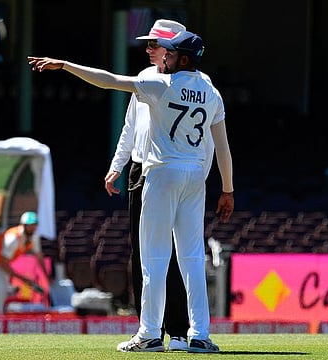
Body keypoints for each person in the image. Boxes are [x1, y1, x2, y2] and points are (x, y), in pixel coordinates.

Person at [28, 29, 234, 353]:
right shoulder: (211, 91)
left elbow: (108, 80)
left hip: (162, 173)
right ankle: (200, 335)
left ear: (181, 58)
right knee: (192, 258)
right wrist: (228, 189)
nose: (162, 56)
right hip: (196, 176)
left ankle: (150, 334)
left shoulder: (160, 85)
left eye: (169, 53)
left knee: (154, 258)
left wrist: (66, 64)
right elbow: (222, 146)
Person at [104, 19, 191, 352]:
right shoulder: (144, 78)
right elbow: (130, 128)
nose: (148, 48)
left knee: (172, 255)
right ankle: (150, 330)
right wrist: (117, 166)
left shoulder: (187, 83)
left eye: (155, 44)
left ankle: (178, 331)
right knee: (145, 255)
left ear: (172, 48)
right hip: (142, 172)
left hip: (168, 172)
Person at [0, 211, 50, 316]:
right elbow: (3, 263)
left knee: (0, 290)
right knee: (1, 289)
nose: (32, 228)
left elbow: (39, 256)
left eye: (34, 225)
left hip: (3, 262)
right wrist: (23, 279)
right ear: (23, 225)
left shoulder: (34, 237)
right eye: (29, 225)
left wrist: (46, 275)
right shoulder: (12, 239)